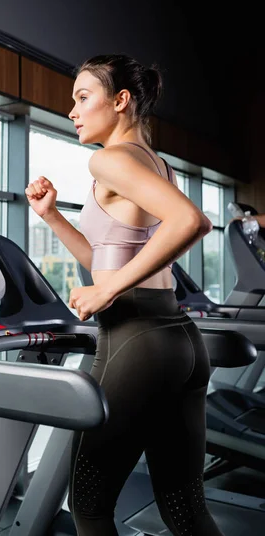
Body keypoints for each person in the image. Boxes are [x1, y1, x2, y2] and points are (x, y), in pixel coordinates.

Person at [25, 54, 224, 536]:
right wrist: (53, 218)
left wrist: (109, 289)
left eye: (82, 97)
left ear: (120, 101)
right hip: (179, 340)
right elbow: (106, 258)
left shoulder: (108, 159)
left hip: (134, 340)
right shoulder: (156, 162)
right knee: (185, 508)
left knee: (89, 507)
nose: (71, 110)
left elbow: (191, 222)